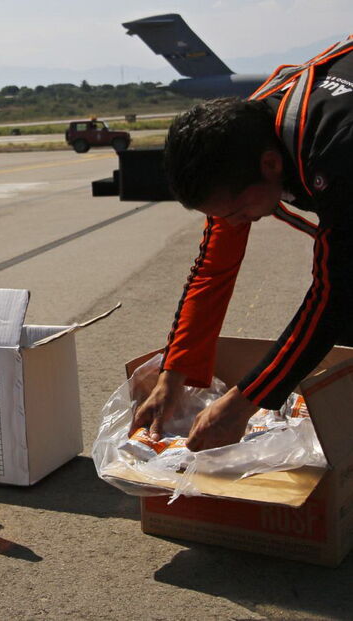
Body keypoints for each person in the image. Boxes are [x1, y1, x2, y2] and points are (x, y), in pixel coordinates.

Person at [132, 37, 353, 451]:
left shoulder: (338, 154)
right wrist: (173, 374)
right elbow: (214, 268)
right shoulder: (247, 135)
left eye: (236, 212)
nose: (234, 223)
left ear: (271, 166)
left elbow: (334, 296)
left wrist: (241, 404)